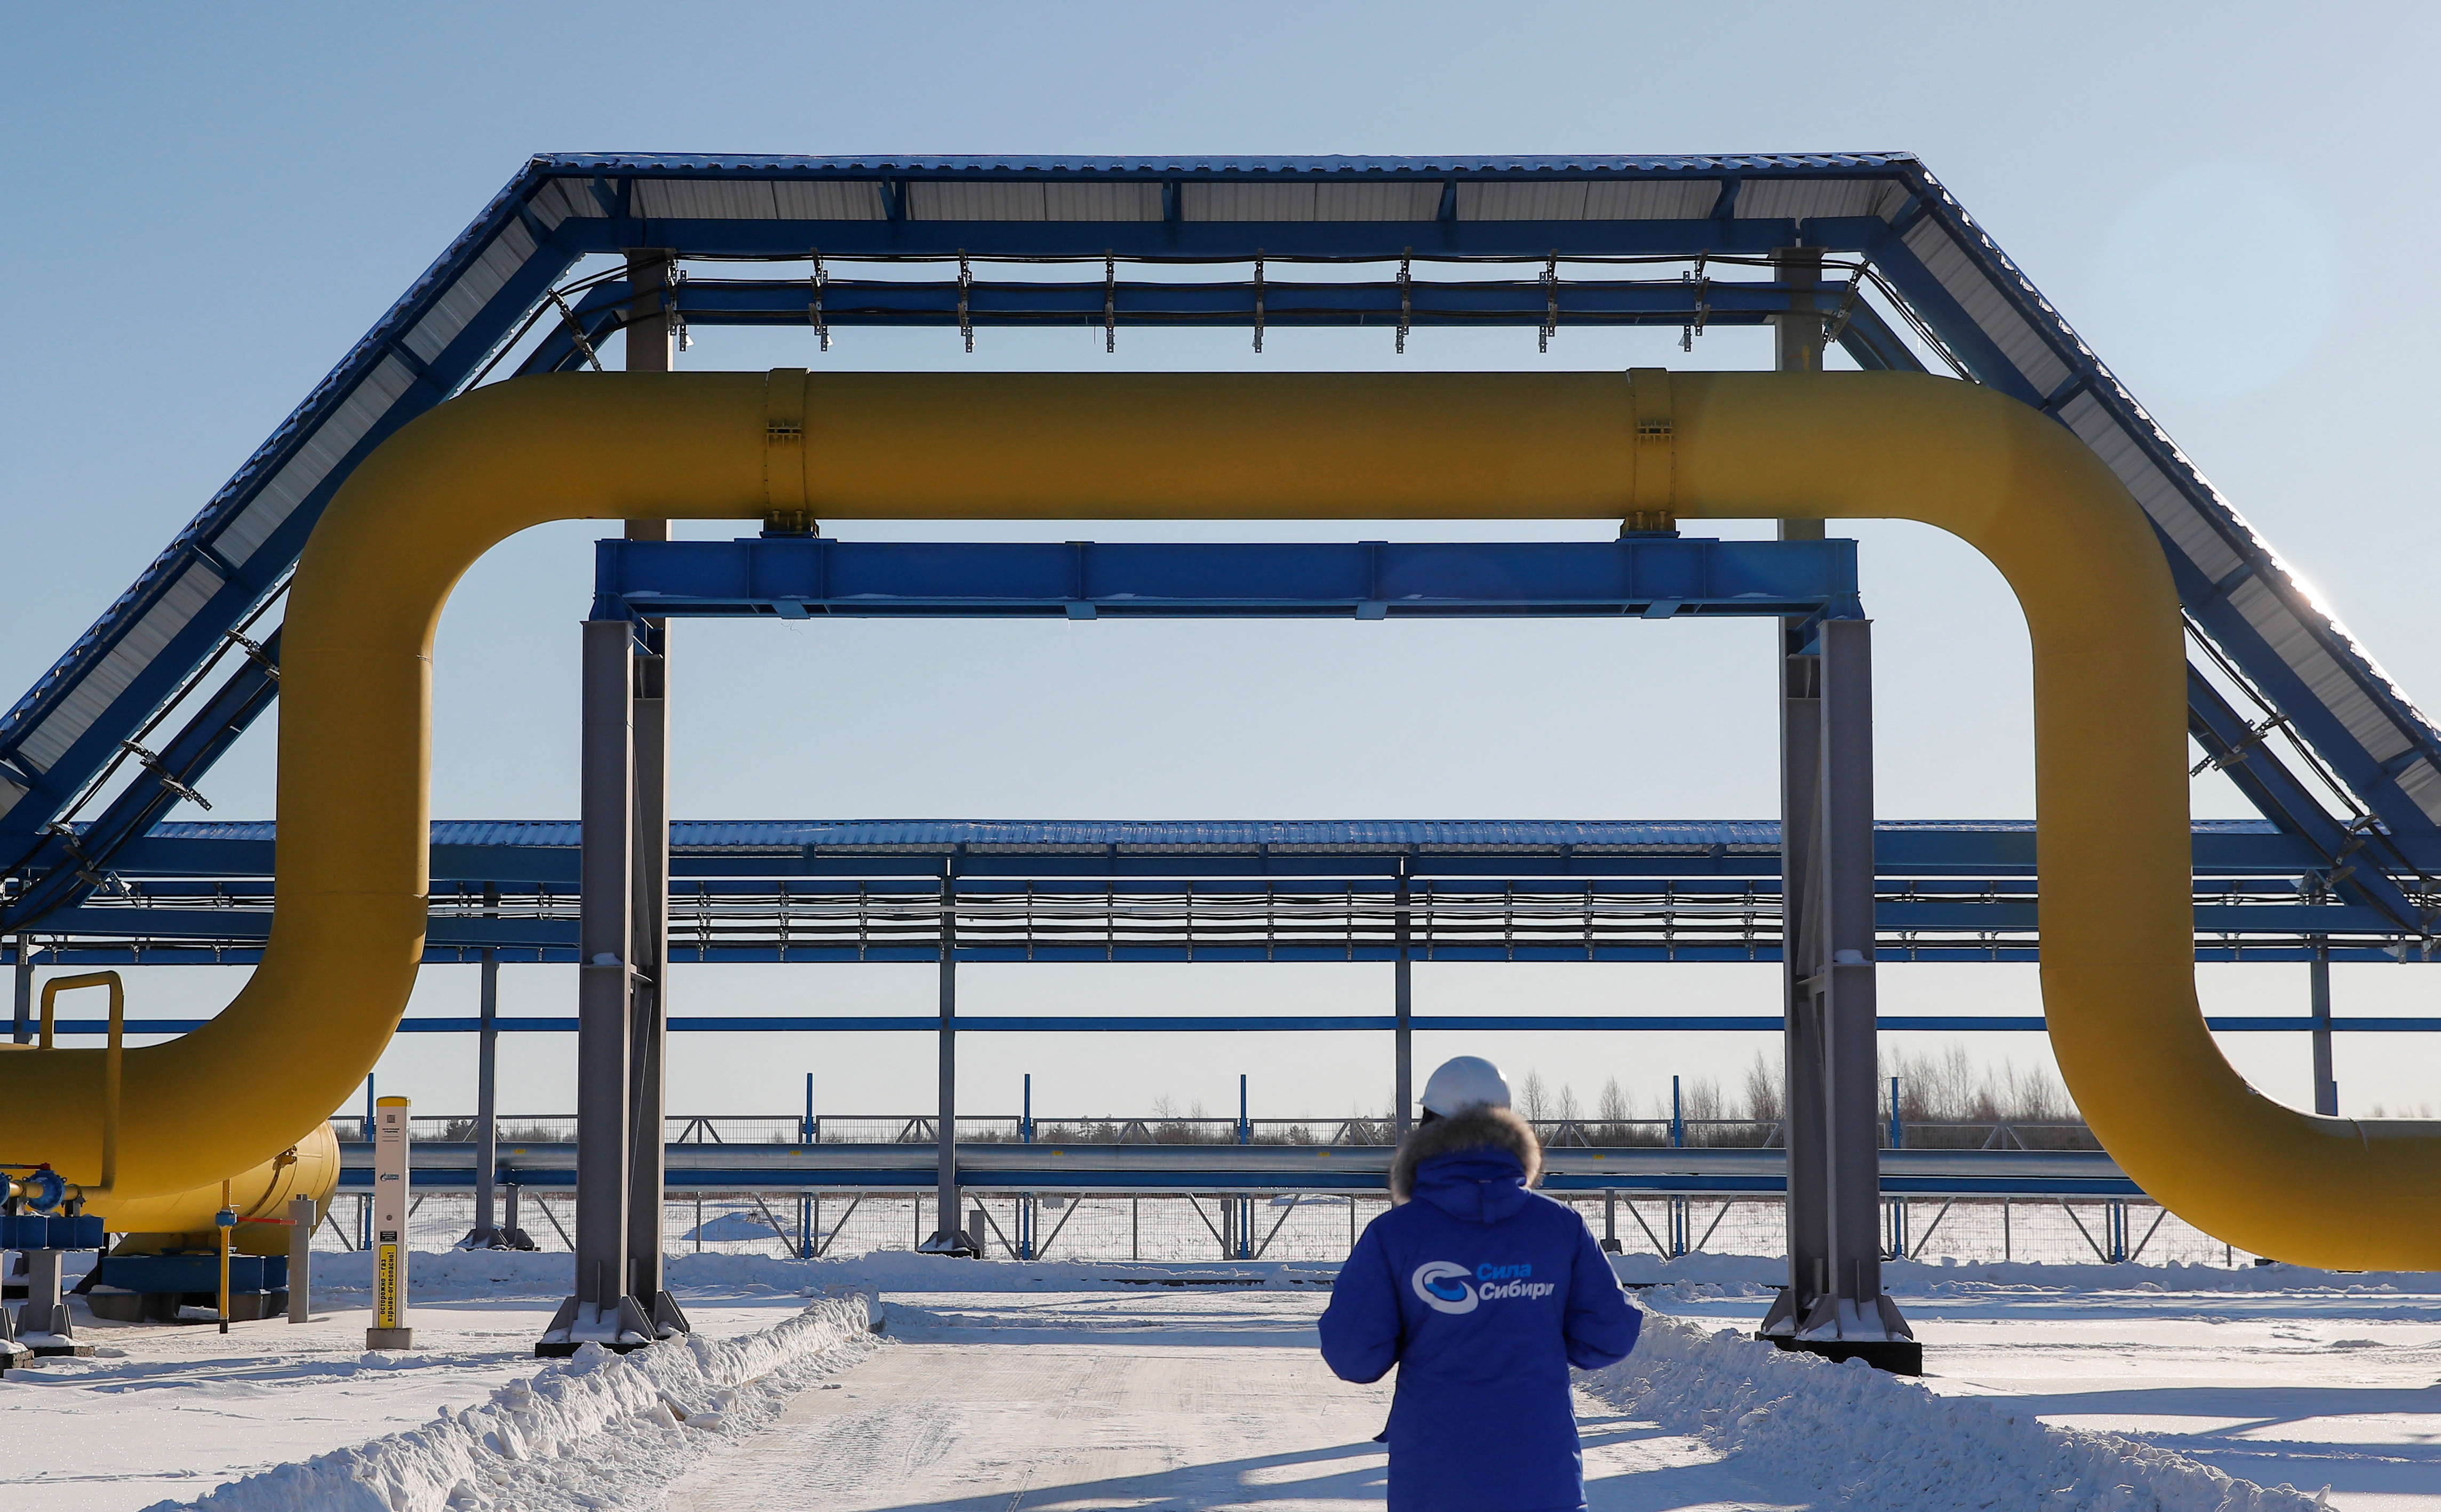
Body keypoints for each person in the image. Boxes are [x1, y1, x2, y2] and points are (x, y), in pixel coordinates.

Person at [1318, 1055, 1641, 1512]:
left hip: (1432, 1483)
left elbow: (1354, 1356)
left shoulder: (1395, 1235)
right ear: (1510, 1124)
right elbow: (1610, 1334)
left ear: (1427, 1126)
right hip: (1544, 1481)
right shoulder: (1560, 1227)